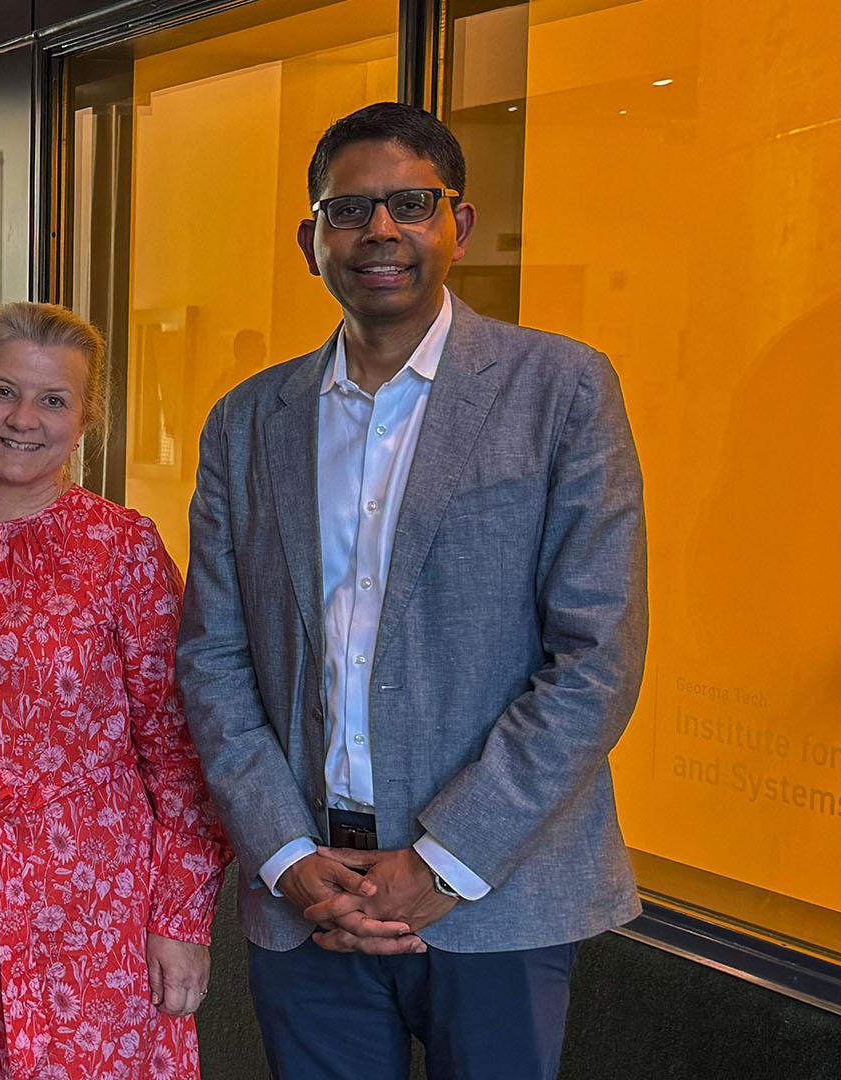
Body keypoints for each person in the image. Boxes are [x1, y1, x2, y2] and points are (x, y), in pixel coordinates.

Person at [177, 101, 649, 1079]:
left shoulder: (561, 391)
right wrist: (284, 854)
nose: (380, 230)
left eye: (410, 203)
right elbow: (215, 657)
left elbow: (594, 661)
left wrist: (440, 864)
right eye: (349, 211)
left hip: (497, 894)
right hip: (305, 899)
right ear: (312, 241)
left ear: (457, 226)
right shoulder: (243, 423)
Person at [0, 301, 232, 1079]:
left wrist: (182, 919)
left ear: (85, 419)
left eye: (53, 400)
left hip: (85, 909)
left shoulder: (122, 549)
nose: (24, 419)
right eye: (4, 391)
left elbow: (177, 750)